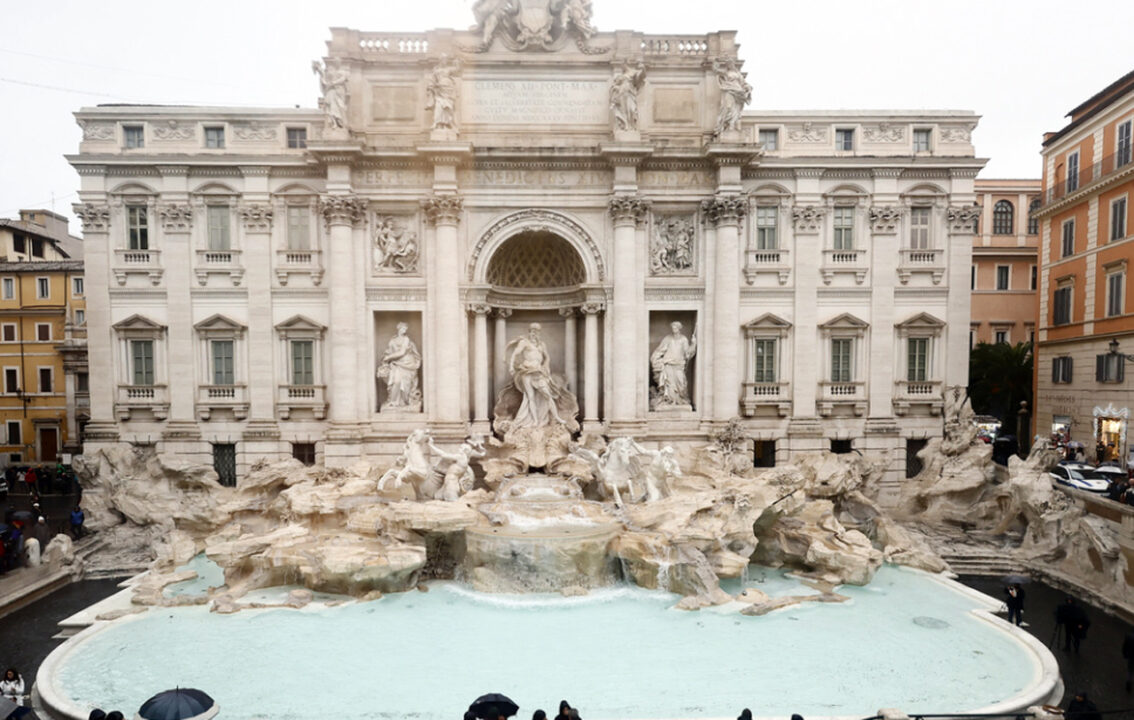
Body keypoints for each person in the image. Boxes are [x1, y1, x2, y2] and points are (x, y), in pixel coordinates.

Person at [508, 323, 568, 429]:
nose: (534, 333)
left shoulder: (541, 344)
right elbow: (515, 354)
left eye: (536, 331)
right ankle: (535, 420)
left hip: (539, 372)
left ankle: (557, 417)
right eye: (532, 331)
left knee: (547, 395)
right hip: (526, 371)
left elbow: (547, 357)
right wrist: (511, 366)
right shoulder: (524, 342)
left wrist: (546, 366)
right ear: (529, 331)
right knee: (530, 397)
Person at [650, 321, 696, 407]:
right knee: (669, 384)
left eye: (675, 328)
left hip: (679, 365)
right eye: (672, 328)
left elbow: (687, 353)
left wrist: (693, 344)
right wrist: (655, 358)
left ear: (679, 329)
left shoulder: (683, 339)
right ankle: (670, 401)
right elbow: (660, 350)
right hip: (668, 364)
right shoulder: (668, 338)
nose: (673, 329)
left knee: (681, 383)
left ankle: (681, 400)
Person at [377, 323, 423, 410]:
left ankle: (404, 402)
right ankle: (393, 402)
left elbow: (402, 352)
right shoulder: (392, 341)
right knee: (397, 381)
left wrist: (389, 357)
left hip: (407, 363)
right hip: (396, 364)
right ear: (398, 329)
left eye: (405, 329)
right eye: (403, 328)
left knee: (405, 384)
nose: (404, 330)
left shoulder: (406, 339)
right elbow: (388, 351)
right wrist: (385, 358)